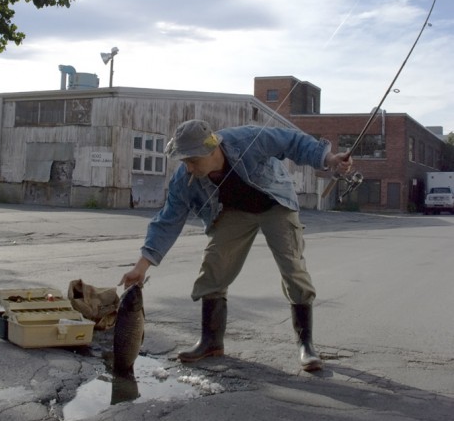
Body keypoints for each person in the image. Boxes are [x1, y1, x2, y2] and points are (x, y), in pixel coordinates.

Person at [119, 119, 352, 371]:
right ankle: (210, 341)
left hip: (274, 203)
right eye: (183, 161)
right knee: (214, 265)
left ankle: (306, 344)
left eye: (193, 160)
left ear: (212, 149)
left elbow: (292, 141)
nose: (188, 168)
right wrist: (141, 267)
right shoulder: (184, 179)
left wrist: (328, 159)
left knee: (292, 267)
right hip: (232, 211)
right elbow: (167, 221)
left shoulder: (247, 140)